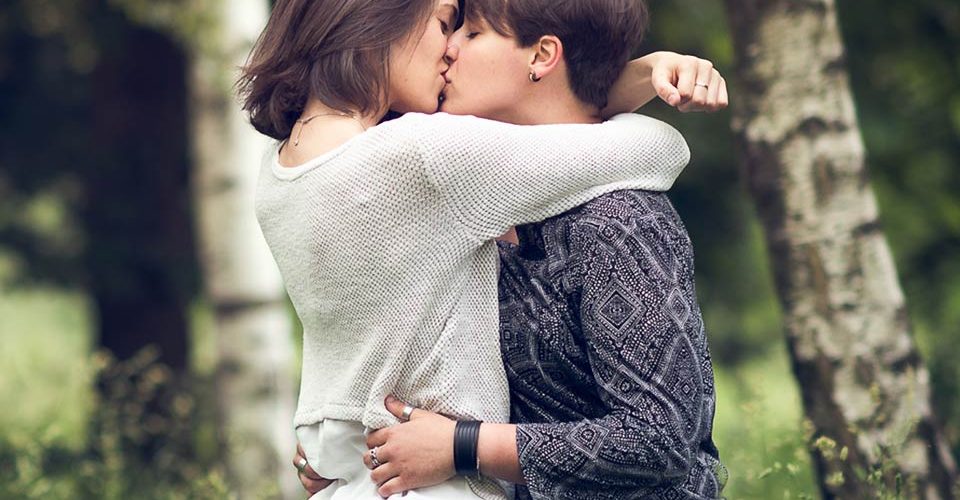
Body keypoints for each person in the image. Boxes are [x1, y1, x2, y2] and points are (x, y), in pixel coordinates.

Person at [294, 0, 726, 498]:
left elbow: (661, 440)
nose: (448, 48)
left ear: (541, 56)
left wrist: (464, 446)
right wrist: (344, 448)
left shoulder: (619, 223)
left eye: (472, 34)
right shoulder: (459, 199)